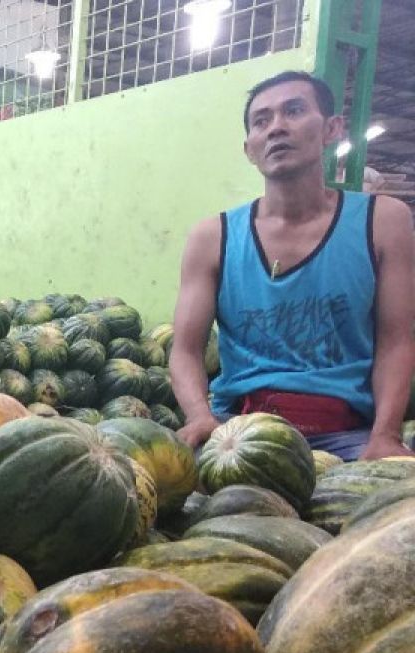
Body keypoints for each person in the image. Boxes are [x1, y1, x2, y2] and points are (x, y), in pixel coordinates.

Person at [170, 71, 415, 462]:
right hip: (237, 427)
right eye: (261, 121)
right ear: (249, 148)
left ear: (331, 129)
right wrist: (200, 415)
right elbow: (185, 349)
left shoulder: (383, 221)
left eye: (295, 111)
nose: (277, 128)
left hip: (347, 433)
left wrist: (385, 434)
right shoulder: (212, 236)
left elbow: (397, 341)